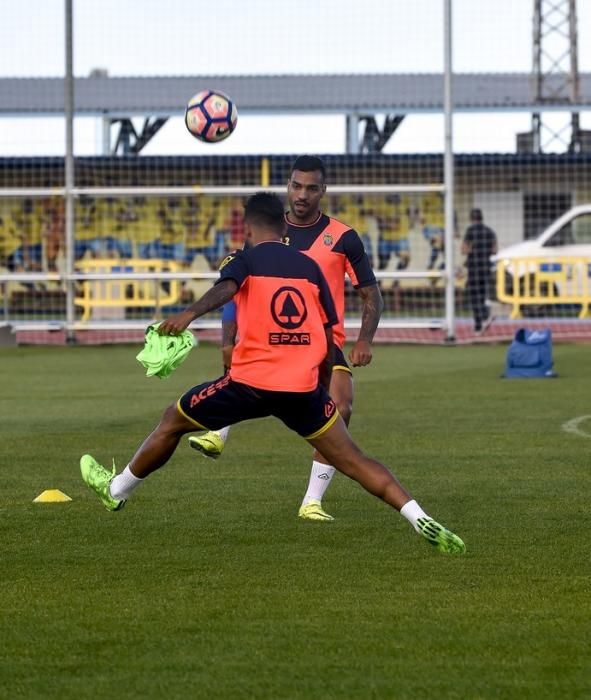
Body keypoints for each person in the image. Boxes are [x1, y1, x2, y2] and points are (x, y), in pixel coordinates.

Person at [80, 192, 465, 556]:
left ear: (247, 231)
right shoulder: (311, 268)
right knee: (353, 459)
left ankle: (117, 490)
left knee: (172, 421)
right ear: (284, 228)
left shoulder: (243, 260)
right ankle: (419, 517)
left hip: (249, 385)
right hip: (302, 389)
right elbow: (328, 333)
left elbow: (226, 290)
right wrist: (321, 390)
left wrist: (188, 315)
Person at [189, 155, 384, 523]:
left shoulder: (343, 237)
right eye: (296, 186)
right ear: (287, 186)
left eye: (311, 188)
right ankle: (219, 431)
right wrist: (226, 340)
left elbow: (371, 294)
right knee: (245, 379)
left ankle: (312, 501)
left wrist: (365, 341)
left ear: (323, 191)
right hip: (268, 338)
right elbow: (235, 285)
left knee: (342, 405)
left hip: (321, 342)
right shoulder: (265, 234)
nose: (302, 194)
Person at [461, 208, 498, 333]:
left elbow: (464, 250)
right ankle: (484, 315)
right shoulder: (489, 231)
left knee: (474, 297)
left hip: (474, 268)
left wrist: (472, 250)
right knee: (482, 295)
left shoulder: (470, 231)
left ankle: (479, 322)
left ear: (471, 218)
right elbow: (495, 250)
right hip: (486, 267)